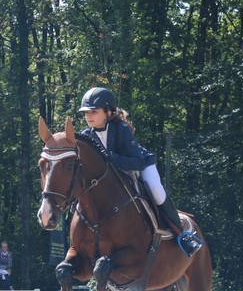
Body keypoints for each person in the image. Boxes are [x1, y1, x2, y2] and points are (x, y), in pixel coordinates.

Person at [78, 86, 203, 257]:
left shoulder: (121, 129)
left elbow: (137, 162)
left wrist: (110, 157)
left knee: (156, 190)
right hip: (115, 175)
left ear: (108, 112)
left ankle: (182, 234)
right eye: (86, 113)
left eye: (94, 112)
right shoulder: (87, 135)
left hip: (141, 164)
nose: (88, 116)